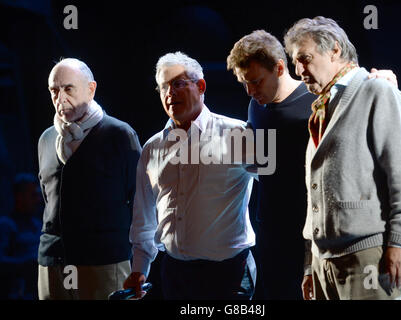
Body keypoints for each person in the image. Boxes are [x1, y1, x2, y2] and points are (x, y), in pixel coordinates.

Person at [226, 30, 399, 300]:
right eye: (244, 84)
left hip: (315, 235)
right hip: (271, 233)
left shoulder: (316, 102)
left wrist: (386, 85)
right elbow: (267, 168)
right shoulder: (255, 106)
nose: (251, 91)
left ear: (280, 68)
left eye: (256, 82)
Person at [283, 16, 401, 300]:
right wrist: (310, 265)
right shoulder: (321, 107)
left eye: (305, 59)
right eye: (295, 62)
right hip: (324, 261)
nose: (299, 71)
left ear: (334, 50)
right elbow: (315, 194)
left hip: (366, 258)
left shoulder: (376, 90)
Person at [123, 51, 257, 300]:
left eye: (178, 83)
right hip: (175, 274)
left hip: (230, 275)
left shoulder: (239, 134)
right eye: (163, 87)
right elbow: (144, 216)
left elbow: (284, 187)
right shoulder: (152, 148)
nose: (169, 93)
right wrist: (139, 268)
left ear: (201, 86)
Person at [37, 58, 141, 299]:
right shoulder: (46, 138)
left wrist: (139, 264)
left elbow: (138, 201)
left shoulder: (119, 134)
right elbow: (49, 197)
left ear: (91, 89)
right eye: (54, 90)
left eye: (68, 88)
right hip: (53, 261)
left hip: (104, 261)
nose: (60, 98)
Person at [0, 173, 43, 299]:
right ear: (19, 197)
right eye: (33, 196)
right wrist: (28, 263)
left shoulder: (38, 225)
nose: (38, 200)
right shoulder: (6, 225)